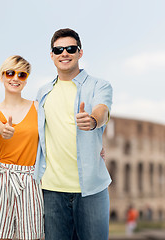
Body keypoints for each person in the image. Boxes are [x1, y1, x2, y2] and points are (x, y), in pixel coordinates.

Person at [34, 28, 113, 240]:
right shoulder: (43, 92)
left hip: (91, 189)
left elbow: (103, 110)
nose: (64, 53)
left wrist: (93, 120)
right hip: (52, 189)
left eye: (70, 48)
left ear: (80, 52)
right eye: (58, 49)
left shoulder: (99, 85)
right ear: (51, 55)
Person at [0, 55, 44, 240]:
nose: (15, 78)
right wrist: (3, 129)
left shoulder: (39, 108)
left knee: (31, 237)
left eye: (22, 75)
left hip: (30, 180)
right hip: (1, 178)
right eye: (10, 73)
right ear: (2, 76)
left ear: (26, 80)